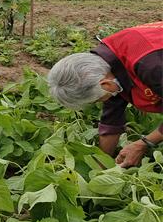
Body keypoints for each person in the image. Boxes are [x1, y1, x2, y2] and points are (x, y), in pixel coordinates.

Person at [48, 22, 162, 167]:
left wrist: (143, 144)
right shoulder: (108, 66)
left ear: (106, 85)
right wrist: (101, 166)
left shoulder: (151, 65)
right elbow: (111, 121)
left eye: (97, 100)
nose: (102, 101)